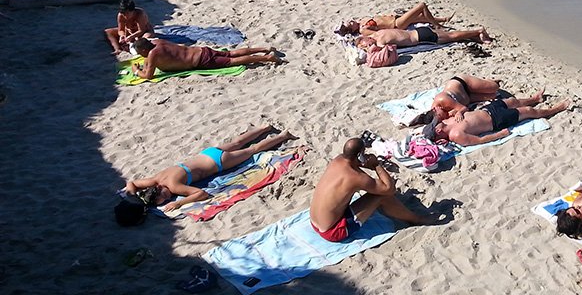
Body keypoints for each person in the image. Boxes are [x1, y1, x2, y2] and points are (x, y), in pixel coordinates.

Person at [117, 126, 295, 225]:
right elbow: (132, 183)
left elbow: (201, 194)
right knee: (238, 142)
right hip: (207, 153)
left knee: (252, 150)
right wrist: (131, 195)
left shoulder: (174, 187)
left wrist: (179, 203)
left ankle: (283, 136)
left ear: (160, 191)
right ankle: (265, 127)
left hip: (219, 163)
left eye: (164, 197)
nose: (168, 198)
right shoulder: (155, 179)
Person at [309, 137, 433, 243]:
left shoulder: (337, 160)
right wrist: (376, 165)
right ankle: (416, 219)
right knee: (381, 196)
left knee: (373, 191)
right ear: (359, 155)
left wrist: (362, 161)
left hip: (314, 223)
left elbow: (355, 167)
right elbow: (389, 189)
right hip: (333, 231)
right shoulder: (356, 177)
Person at [432, 97, 569, 146]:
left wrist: (460, 112)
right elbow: (479, 140)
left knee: (512, 101)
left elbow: (463, 108)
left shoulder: (447, 121)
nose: (436, 122)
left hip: (487, 109)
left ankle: (535, 99)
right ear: (438, 131)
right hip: (496, 120)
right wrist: (500, 134)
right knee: (528, 111)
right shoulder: (456, 135)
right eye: (434, 125)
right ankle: (556, 109)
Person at [130, 37, 281, 80]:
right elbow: (149, 58)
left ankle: (267, 58)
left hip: (200, 61)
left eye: (140, 53)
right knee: (231, 53)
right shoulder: (157, 42)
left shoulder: (153, 54)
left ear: (144, 50)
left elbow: (149, 75)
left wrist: (136, 71)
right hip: (201, 50)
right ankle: (264, 49)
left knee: (231, 62)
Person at [334, 2, 455, 37]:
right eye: (349, 24)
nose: (350, 21)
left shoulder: (360, 21)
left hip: (395, 18)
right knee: (421, 6)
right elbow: (379, 34)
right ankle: (437, 25)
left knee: (420, 18)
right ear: (352, 29)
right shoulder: (363, 30)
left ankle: (443, 19)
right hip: (396, 24)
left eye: (347, 22)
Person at [354, 25, 491, 51]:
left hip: (421, 37)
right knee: (450, 35)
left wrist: (369, 49)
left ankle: (478, 31)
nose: (368, 46)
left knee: (452, 37)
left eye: (365, 44)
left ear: (365, 39)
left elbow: (382, 51)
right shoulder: (375, 34)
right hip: (418, 31)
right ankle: (476, 37)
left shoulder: (379, 41)